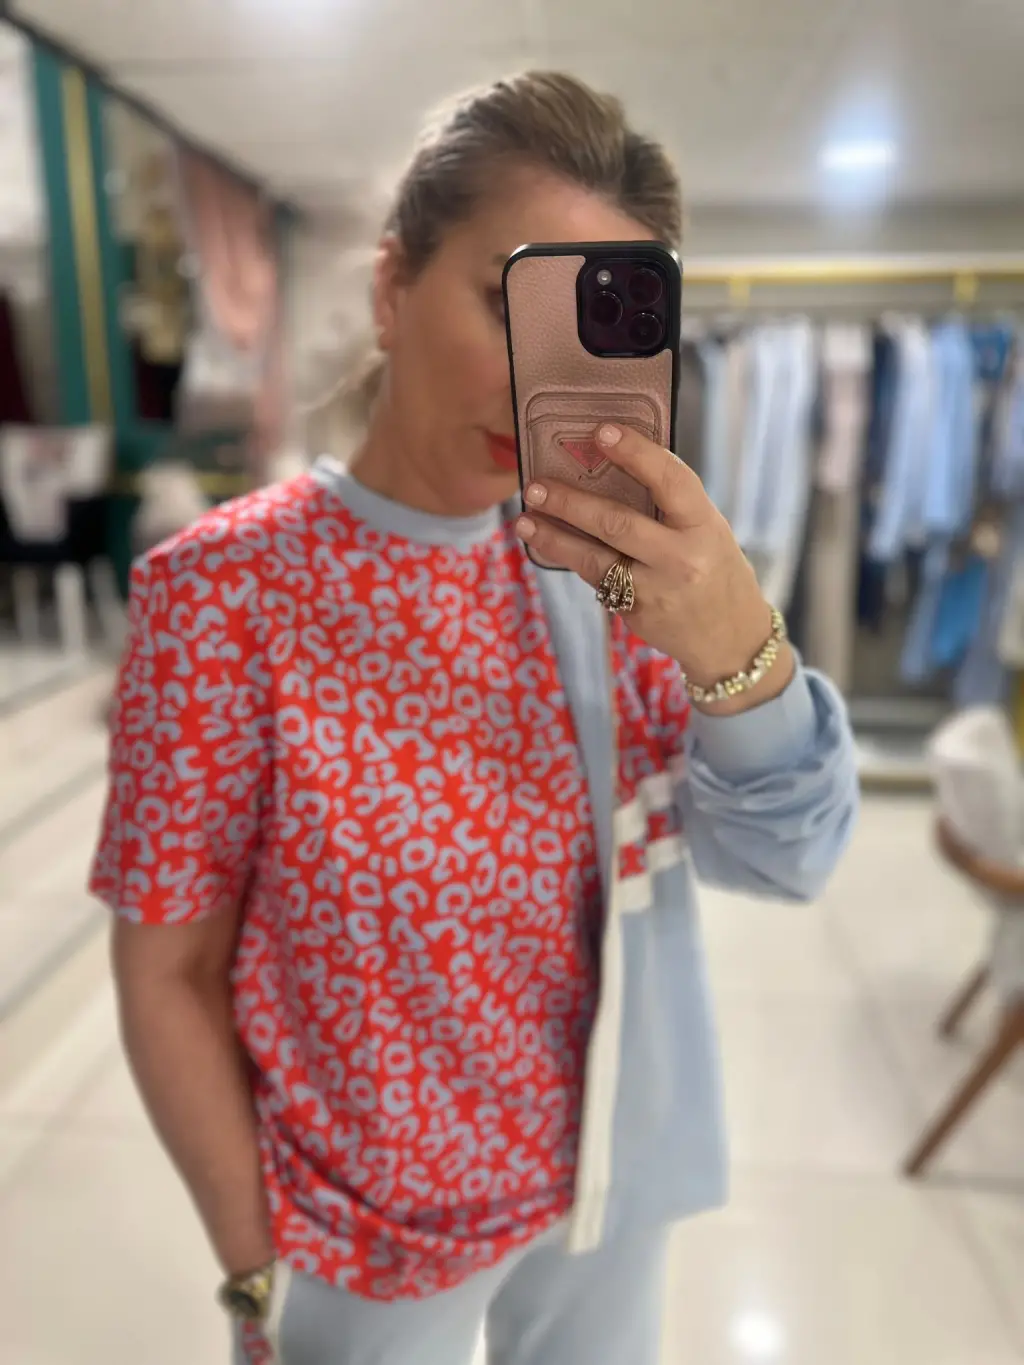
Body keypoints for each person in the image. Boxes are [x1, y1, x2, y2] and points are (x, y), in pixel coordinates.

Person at [90, 71, 858, 1365]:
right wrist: (250, 1265)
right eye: (509, 302)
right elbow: (166, 968)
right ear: (393, 286)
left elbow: (791, 858)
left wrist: (741, 654)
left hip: (609, 1174)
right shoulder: (225, 592)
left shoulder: (618, 582)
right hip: (356, 1233)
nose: (531, 379)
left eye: (586, 331)